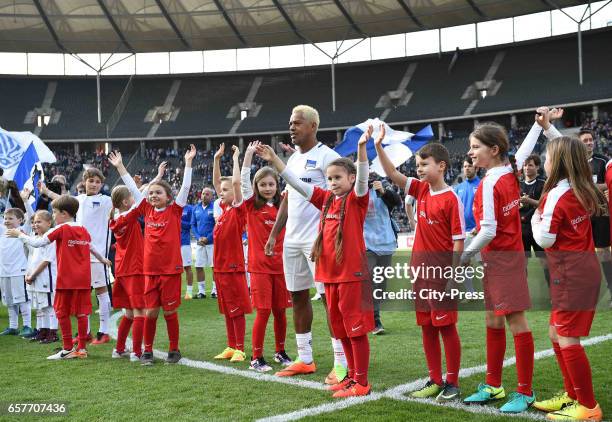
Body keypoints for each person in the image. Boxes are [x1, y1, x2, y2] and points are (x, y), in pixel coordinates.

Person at [256, 123, 373, 397]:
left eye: (337, 178)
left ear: (351, 179)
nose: (332, 183)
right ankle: (352, 377)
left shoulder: (357, 200)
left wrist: (361, 149)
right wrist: (275, 161)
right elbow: (297, 184)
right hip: (329, 274)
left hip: (350, 275)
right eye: (329, 179)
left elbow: (364, 178)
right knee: (342, 328)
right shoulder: (326, 201)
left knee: (355, 330)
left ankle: (362, 383)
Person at [460, 108, 549, 413]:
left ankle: (524, 391)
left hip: (502, 260)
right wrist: (538, 127)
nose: (470, 152)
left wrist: (464, 256)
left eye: (475, 147)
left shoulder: (490, 182)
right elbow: (522, 152)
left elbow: (488, 229)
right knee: (493, 319)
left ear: (493, 150)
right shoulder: (508, 169)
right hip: (501, 258)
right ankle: (494, 385)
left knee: (515, 321)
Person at [376, 127, 465, 402]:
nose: (419, 169)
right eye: (417, 165)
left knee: (446, 327)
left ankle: (452, 381)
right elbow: (393, 175)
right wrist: (379, 146)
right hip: (420, 273)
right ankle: (435, 379)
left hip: (441, 275)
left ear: (441, 166)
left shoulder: (451, 199)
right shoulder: (421, 189)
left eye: (424, 164)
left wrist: (453, 275)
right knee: (427, 326)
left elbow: (458, 242)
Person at [264, 105, 347, 384]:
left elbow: (337, 199)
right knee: (297, 295)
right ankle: (305, 359)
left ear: (313, 126)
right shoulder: (294, 160)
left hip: (317, 239)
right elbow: (288, 198)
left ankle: (340, 362)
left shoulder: (328, 156)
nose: (292, 127)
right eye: (290, 122)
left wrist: (323, 235)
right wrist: (276, 233)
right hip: (292, 239)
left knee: (328, 300)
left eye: (297, 123)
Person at [531, 136, 605, 421]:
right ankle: (572, 394)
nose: (544, 162)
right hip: (576, 273)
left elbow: (545, 239)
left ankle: (588, 406)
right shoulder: (576, 189)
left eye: (547, 157)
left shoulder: (557, 195)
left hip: (572, 276)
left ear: (557, 164)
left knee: (567, 338)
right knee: (556, 334)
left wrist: (536, 215)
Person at [115, 145, 196, 365]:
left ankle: (174, 349)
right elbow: (132, 188)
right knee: (150, 312)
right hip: (150, 272)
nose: (153, 196)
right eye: (150, 193)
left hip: (170, 271)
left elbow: (186, 187)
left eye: (158, 192)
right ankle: (147, 351)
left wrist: (188, 163)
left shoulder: (175, 210)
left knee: (169, 312)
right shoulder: (146, 210)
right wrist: (121, 167)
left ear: (169, 196)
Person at [7, 195, 111, 360]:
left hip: (66, 279)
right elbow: (91, 246)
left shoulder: (61, 228)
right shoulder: (82, 229)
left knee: (61, 312)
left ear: (64, 213)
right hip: (83, 279)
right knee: (82, 313)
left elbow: (38, 243)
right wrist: (102, 259)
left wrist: (19, 234)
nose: (53, 215)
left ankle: (68, 348)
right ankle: (82, 349)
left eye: (54, 212)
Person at [40, 168, 114, 345]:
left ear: (101, 184)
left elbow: (127, 198)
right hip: (78, 256)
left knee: (102, 292)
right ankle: (84, 334)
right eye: (91, 181)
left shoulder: (106, 201)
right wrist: (45, 191)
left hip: (98, 255)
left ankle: (104, 331)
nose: (94, 184)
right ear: (84, 182)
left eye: (97, 182)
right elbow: (61, 202)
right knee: (82, 297)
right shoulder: (78, 200)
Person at [240, 141, 292, 372]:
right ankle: (256, 357)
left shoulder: (284, 204)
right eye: (263, 184)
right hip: (260, 267)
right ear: (256, 186)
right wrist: (248, 156)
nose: (268, 188)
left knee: (281, 311)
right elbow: (242, 183)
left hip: (281, 267)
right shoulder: (251, 206)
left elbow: (294, 180)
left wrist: (289, 157)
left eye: (271, 183)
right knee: (263, 311)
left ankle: (280, 351)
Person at [211, 143, 252, 363]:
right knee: (227, 309)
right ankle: (230, 345)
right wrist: (217, 160)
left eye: (225, 190)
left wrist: (235, 158)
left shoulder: (238, 209)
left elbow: (234, 182)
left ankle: (240, 348)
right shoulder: (223, 210)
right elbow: (219, 183)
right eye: (221, 191)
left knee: (236, 310)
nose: (221, 192)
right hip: (220, 268)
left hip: (233, 267)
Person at [363, 172, 401, 335]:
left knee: (381, 283)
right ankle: (375, 321)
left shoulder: (383, 185)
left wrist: (384, 192)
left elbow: (397, 203)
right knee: (371, 280)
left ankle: (371, 310)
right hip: (366, 243)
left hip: (385, 242)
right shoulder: (355, 189)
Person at [577, 129, 612, 305]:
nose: (589, 142)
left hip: (600, 213)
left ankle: (611, 288)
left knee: (604, 252)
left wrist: (594, 187)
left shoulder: (603, 161)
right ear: (579, 143)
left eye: (591, 139)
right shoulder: (575, 163)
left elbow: (609, 183)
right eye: (585, 140)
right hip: (581, 214)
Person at [0, 198, 35, 337]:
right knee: (8, 300)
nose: (7, 220)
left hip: (19, 271)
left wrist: (26, 201)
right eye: (5, 218)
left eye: (10, 218)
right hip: (3, 272)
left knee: (22, 299)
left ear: (20, 220)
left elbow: (31, 216)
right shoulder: (2, 231)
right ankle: (13, 326)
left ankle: (27, 325)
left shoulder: (23, 230)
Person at [25, 210, 59, 344]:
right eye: (33, 222)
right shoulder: (36, 239)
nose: (35, 225)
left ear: (49, 223)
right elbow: (32, 260)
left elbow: (46, 261)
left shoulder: (50, 238)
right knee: (41, 306)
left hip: (47, 278)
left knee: (50, 306)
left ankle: (53, 332)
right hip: (36, 278)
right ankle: (43, 330)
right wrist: (28, 274)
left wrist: (33, 275)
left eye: (39, 222)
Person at [518, 154, 549, 286]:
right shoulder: (517, 184)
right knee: (522, 262)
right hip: (522, 228)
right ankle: (521, 293)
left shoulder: (544, 183)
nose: (527, 168)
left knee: (544, 261)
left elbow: (545, 204)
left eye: (530, 165)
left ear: (537, 167)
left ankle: (553, 291)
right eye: (525, 165)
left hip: (537, 228)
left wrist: (528, 200)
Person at [453, 156, 480, 294]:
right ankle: (471, 293)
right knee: (464, 263)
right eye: (464, 166)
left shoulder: (481, 185)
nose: (466, 168)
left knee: (483, 263)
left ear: (476, 167)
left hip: (479, 232)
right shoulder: (458, 188)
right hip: (463, 233)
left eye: (469, 166)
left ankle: (491, 293)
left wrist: (479, 227)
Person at [192, 187, 217, 299]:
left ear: (212, 196)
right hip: (200, 243)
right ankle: (201, 291)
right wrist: (198, 238)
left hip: (212, 243)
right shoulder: (196, 208)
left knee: (214, 267)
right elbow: (193, 225)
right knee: (198, 266)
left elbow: (217, 225)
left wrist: (208, 238)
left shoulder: (215, 208)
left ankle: (215, 290)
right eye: (203, 193)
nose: (204, 196)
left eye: (207, 194)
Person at [181, 202, 195, 300]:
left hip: (184, 242)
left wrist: (179, 220)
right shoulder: (170, 208)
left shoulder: (189, 208)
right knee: (173, 270)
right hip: (171, 243)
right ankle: (175, 292)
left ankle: (189, 292)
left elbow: (191, 224)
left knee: (187, 267)